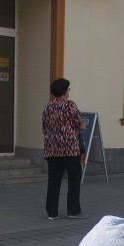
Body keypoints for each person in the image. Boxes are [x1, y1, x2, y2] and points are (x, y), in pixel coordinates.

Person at [42, 77, 87, 220]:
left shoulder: (47, 107)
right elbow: (81, 125)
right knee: (74, 178)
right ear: (64, 91)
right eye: (68, 89)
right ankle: (73, 210)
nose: (69, 92)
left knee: (54, 181)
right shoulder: (70, 105)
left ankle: (52, 213)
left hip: (52, 149)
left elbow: (44, 128)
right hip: (69, 149)